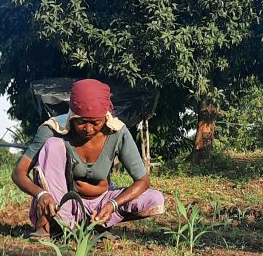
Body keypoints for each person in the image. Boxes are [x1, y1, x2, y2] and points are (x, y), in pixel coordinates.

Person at [12, 79, 164, 239]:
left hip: (101, 204)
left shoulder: (117, 132)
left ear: (106, 117)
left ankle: (95, 225)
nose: (88, 128)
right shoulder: (53, 129)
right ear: (72, 116)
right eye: (81, 122)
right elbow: (19, 173)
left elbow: (142, 180)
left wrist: (112, 205)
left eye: (95, 123)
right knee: (53, 145)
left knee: (155, 199)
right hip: (63, 203)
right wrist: (41, 194)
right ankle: (46, 226)